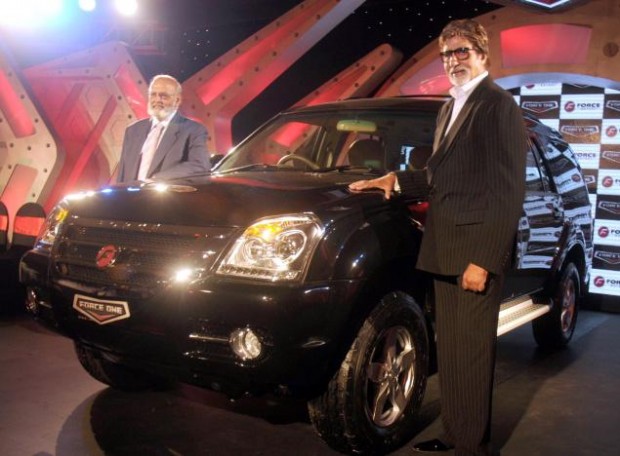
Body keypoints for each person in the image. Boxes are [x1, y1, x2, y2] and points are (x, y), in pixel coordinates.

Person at [349, 19, 527, 456]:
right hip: (445, 248)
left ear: (482, 54)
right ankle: (455, 433)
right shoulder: (451, 107)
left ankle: (472, 446)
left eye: (462, 51)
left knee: (473, 354)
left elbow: (508, 191)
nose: (453, 60)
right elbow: (438, 175)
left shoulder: (498, 105)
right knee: (455, 353)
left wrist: (484, 259)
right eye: (447, 53)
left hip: (472, 252)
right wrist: (395, 180)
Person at [116, 74, 211, 184]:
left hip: (167, 194)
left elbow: (200, 167)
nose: (157, 100)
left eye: (163, 96)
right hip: (131, 194)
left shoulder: (193, 130)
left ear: (177, 100)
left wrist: (156, 180)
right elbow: (122, 175)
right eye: (153, 95)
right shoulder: (133, 130)